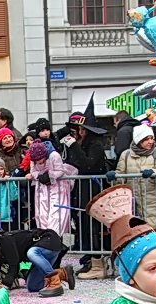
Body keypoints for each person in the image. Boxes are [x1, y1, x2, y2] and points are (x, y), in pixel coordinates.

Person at [56, 98, 109, 279]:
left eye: (80, 128)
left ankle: (98, 265)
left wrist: (75, 147)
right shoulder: (88, 144)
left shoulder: (96, 146)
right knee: (85, 227)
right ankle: (93, 263)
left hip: (93, 192)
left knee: (93, 227)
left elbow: (88, 166)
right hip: (85, 192)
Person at [116, 124, 156, 235]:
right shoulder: (126, 155)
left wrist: (153, 173)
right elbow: (120, 180)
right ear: (138, 140)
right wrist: (114, 177)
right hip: (134, 204)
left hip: (155, 204)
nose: (150, 142)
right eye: (146, 139)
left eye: (151, 138)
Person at [27, 139, 78, 240]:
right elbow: (33, 171)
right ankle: (45, 238)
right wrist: (39, 176)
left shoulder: (54, 155)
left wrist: (49, 175)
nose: (39, 162)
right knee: (41, 214)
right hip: (42, 189)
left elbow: (60, 171)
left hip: (57, 187)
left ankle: (54, 238)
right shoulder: (33, 159)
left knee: (56, 215)